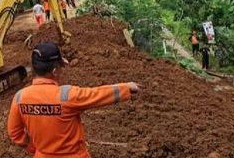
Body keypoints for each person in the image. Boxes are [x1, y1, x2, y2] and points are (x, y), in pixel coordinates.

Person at [7, 42, 140, 157]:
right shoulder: (66, 95)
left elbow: (15, 133)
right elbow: (97, 95)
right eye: (60, 68)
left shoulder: (20, 97)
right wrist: (126, 88)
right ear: (54, 71)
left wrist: (36, 150)